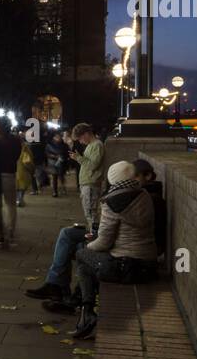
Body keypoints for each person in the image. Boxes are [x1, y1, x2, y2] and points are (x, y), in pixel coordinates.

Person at [68, 160, 159, 338]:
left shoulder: (112, 202)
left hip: (126, 267)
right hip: (148, 264)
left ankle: (85, 310)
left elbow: (103, 242)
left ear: (112, 179)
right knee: (86, 265)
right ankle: (84, 310)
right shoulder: (144, 194)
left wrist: (89, 246)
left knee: (81, 255)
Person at [71, 123, 105, 231]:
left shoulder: (97, 145)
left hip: (91, 184)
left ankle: (94, 237)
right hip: (87, 183)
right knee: (89, 213)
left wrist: (78, 158)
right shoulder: (92, 145)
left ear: (86, 134)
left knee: (91, 213)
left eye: (80, 138)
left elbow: (93, 165)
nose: (81, 142)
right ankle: (93, 234)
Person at [0, 118, 21, 244]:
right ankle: (10, 230)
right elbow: (17, 155)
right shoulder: (16, 140)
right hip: (10, 174)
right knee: (10, 205)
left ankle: (0, 231)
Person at [15, 128, 35, 208]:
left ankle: (18, 199)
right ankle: (20, 199)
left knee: (17, 186)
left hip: (15, 169)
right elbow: (30, 158)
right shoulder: (26, 148)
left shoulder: (12, 147)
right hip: (24, 169)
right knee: (23, 186)